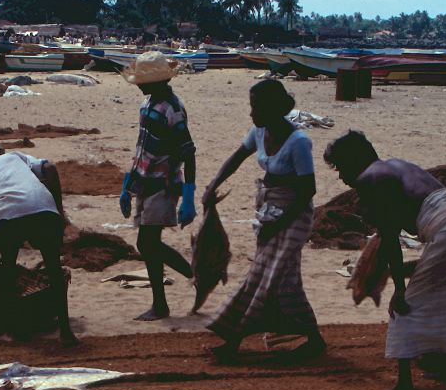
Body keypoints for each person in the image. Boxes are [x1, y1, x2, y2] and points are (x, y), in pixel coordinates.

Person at [324, 130, 446, 390]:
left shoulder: (370, 178)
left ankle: (405, 386)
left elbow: (389, 238)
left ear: (354, 162)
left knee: (406, 305)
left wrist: (398, 288)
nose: (341, 177)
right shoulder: (395, 165)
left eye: (340, 168)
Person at [202, 78, 324, 361]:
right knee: (285, 279)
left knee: (268, 274)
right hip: (269, 210)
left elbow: (308, 190)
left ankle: (234, 339)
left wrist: (280, 224)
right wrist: (213, 185)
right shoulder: (258, 132)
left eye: (256, 108)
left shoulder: (299, 142)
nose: (252, 113)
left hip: (294, 214)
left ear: (271, 108)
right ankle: (314, 339)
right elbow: (237, 157)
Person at [0, 139, 76, 346]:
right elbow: (49, 168)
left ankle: (17, 331)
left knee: (8, 271)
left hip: (10, 213)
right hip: (45, 207)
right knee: (54, 271)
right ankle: (66, 331)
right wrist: (58, 210)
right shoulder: (14, 157)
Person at [120, 51, 196, 321]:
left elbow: (188, 152)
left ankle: (179, 285)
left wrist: (189, 194)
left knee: (147, 242)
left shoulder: (172, 109)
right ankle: (188, 278)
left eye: (142, 80)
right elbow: (142, 147)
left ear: (156, 82)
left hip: (163, 183)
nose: (138, 84)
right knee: (147, 244)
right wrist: (127, 184)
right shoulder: (147, 104)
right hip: (143, 181)